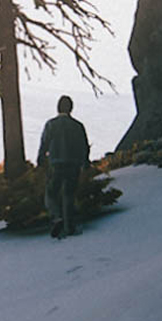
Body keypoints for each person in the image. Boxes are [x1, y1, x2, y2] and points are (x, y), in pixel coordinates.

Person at [37, 95, 91, 238]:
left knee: (51, 194)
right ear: (71, 108)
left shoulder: (51, 124)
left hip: (56, 164)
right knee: (69, 195)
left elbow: (44, 143)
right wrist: (85, 162)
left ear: (58, 107)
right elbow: (84, 146)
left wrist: (41, 160)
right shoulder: (78, 126)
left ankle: (56, 217)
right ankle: (69, 227)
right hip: (73, 164)